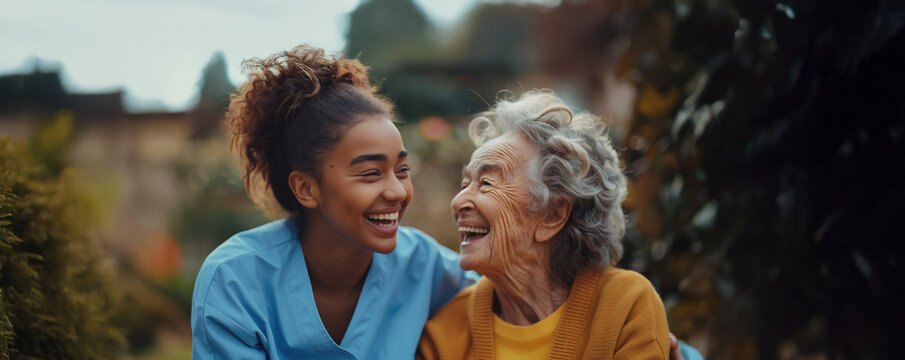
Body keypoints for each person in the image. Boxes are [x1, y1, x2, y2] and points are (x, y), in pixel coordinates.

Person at [190, 45, 476, 359]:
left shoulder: (422, 264)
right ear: (306, 188)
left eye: (402, 170)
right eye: (370, 173)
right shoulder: (235, 281)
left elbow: (510, 298)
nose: (397, 191)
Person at [418, 90, 678, 359]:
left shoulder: (624, 305)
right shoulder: (445, 334)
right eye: (464, 184)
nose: (458, 201)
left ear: (552, 215)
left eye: (486, 184)